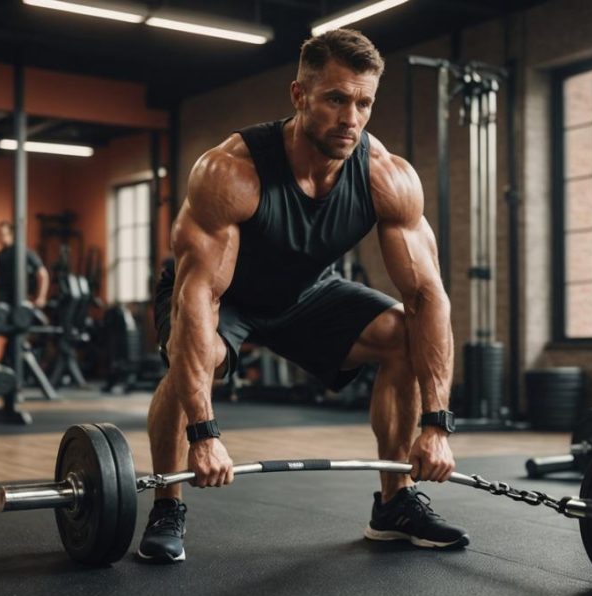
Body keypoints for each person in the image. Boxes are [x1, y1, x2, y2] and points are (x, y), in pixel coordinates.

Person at [139, 28, 468, 563]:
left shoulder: (387, 177)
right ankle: (167, 503)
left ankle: (394, 504)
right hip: (225, 296)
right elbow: (196, 299)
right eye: (336, 99)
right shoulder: (232, 172)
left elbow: (428, 299)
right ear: (299, 96)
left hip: (304, 292)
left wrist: (437, 425)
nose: (351, 118)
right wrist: (205, 433)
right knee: (197, 358)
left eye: (364, 102)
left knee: (401, 337)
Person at [0, 221, 49, 365]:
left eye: (2, 234)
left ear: (11, 235)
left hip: (18, 302)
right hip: (1, 302)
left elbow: (43, 273)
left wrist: (41, 297)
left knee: (16, 337)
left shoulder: (24, 251)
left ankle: (7, 368)